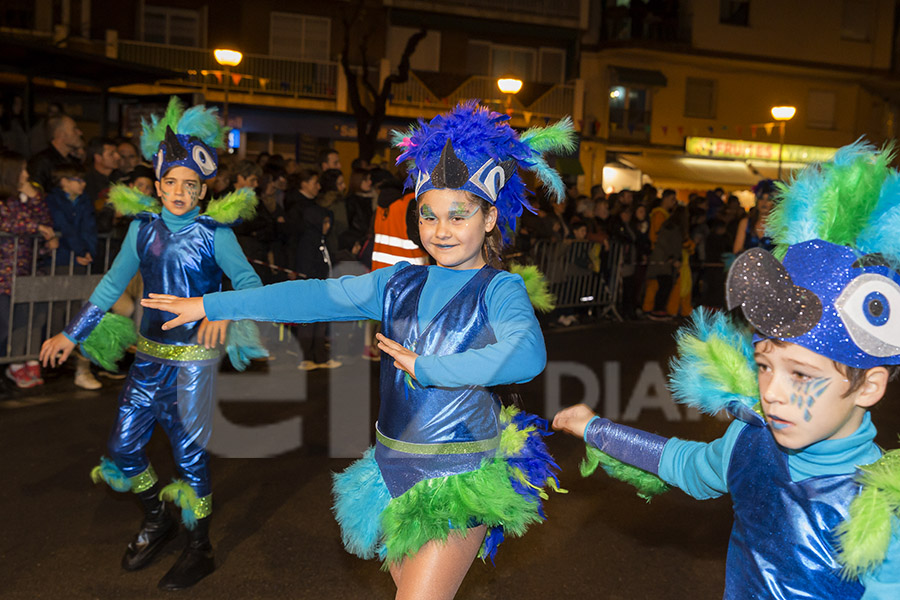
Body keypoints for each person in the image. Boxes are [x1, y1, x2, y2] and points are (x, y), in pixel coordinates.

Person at [140, 102, 574, 600]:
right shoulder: (396, 282)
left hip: (462, 474)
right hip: (391, 469)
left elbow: (527, 355)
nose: (442, 229)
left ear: (490, 216)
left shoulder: (500, 289)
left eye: (460, 214)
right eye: (429, 215)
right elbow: (309, 297)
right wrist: (211, 304)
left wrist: (429, 368)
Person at [553, 140, 900, 599]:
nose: (771, 392)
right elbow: (685, 463)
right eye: (764, 366)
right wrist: (595, 428)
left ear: (869, 385)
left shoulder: (883, 508)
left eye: (801, 374)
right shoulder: (749, 442)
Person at [39, 98, 264, 591]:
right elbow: (108, 287)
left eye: (190, 185)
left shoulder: (214, 234)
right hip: (147, 362)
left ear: (203, 191)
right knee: (122, 450)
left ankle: (199, 546)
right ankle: (158, 517)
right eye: (171, 182)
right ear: (158, 183)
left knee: (189, 459)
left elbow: (249, 285)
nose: (179, 192)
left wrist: (220, 317)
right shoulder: (142, 229)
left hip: (193, 365)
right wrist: (69, 334)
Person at [0, 151, 57, 388]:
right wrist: (37, 228)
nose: (26, 174)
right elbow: (8, 222)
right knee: (5, 324)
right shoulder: (5, 200)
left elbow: (45, 220)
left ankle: (19, 364)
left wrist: (34, 199)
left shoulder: (22, 197)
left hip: (27, 270)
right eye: (22, 170)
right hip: (4, 274)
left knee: (22, 321)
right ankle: (11, 365)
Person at [45, 162, 102, 389]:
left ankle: (67, 356)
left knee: (75, 309)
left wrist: (88, 251)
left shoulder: (85, 201)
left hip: (78, 259)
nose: (83, 184)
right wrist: (80, 251)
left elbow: (90, 227)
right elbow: (63, 226)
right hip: (61, 259)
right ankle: (53, 358)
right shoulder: (54, 200)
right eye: (78, 180)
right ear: (64, 181)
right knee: (57, 307)